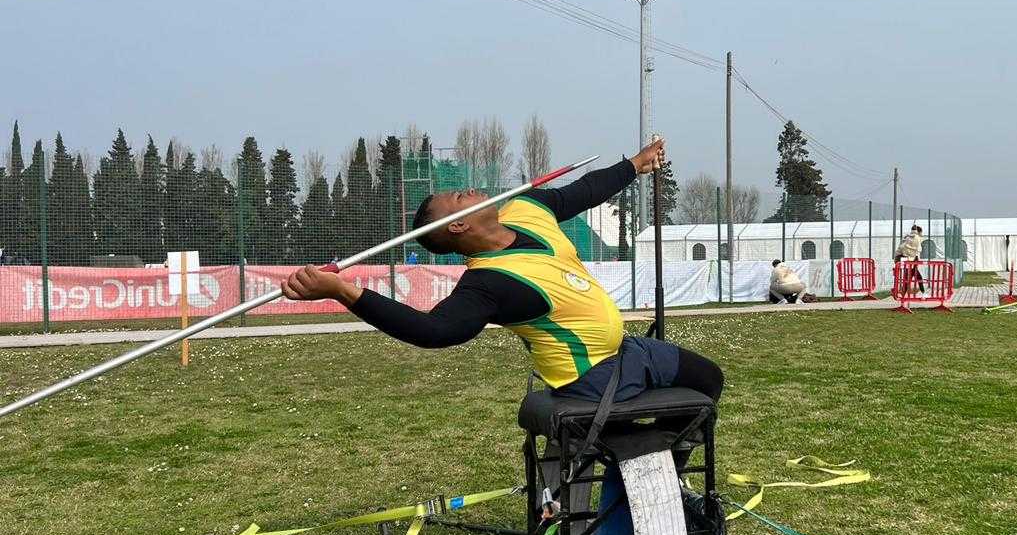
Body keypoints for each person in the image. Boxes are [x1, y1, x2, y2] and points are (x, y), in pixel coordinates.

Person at [280, 138, 723, 406]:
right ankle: (646, 489)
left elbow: (584, 190)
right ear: (457, 227)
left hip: (625, 351)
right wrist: (343, 291)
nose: (470, 189)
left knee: (709, 379)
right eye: (459, 197)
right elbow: (433, 331)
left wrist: (635, 165)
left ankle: (670, 478)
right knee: (641, 447)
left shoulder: (526, 208)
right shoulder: (487, 284)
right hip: (592, 379)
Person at [894, 224, 925, 294]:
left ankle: (918, 290)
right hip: (904, 258)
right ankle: (920, 290)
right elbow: (914, 250)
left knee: (913, 274)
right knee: (912, 274)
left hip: (900, 258)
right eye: (921, 232)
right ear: (919, 232)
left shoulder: (908, 237)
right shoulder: (915, 238)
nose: (922, 234)